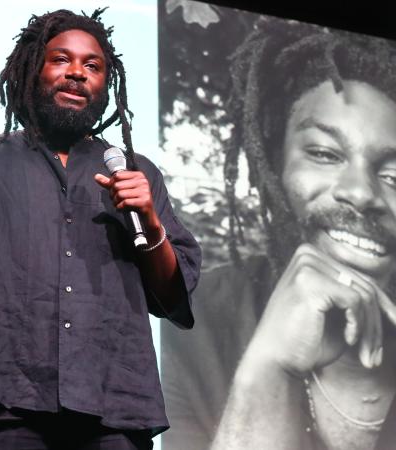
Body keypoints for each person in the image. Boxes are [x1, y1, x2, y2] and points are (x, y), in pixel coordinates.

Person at [162, 16, 396, 450]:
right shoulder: (185, 326)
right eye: (325, 153)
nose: (362, 193)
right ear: (271, 166)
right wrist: (266, 369)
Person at [0, 8, 201, 450]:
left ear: (105, 85)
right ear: (33, 69)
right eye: (61, 60)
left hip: (115, 407)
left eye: (92, 66)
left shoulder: (135, 173)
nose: (76, 73)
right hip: (10, 403)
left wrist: (148, 220)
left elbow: (171, 297)